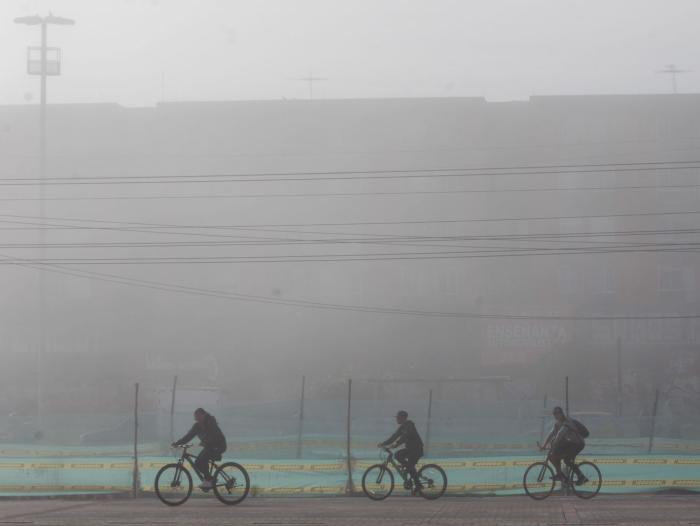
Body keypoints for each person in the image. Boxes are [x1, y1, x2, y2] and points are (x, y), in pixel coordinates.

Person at [172, 408, 227, 490]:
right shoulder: (197, 426)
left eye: (198, 417)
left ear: (203, 415)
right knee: (197, 463)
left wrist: (205, 441)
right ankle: (210, 479)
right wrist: (177, 443)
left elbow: (214, 435)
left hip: (219, 446)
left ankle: (208, 480)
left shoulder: (210, 422)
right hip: (209, 447)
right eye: (196, 418)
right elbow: (188, 436)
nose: (197, 419)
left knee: (203, 458)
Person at [378, 410, 424, 493]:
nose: (397, 419)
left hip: (417, 449)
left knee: (410, 466)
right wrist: (384, 443)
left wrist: (396, 444)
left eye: (398, 418)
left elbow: (406, 436)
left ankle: (418, 485)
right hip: (410, 449)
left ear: (403, 418)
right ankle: (407, 468)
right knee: (397, 455)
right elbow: (394, 436)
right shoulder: (402, 427)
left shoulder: (410, 425)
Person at [542, 406, 588, 485]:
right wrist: (544, 445)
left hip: (578, 444)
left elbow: (560, 434)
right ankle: (560, 475)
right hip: (571, 443)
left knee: (567, 460)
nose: (555, 416)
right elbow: (551, 434)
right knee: (552, 455)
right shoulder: (557, 423)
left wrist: (553, 445)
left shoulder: (567, 422)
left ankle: (582, 477)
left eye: (557, 414)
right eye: (554, 415)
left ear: (561, 414)